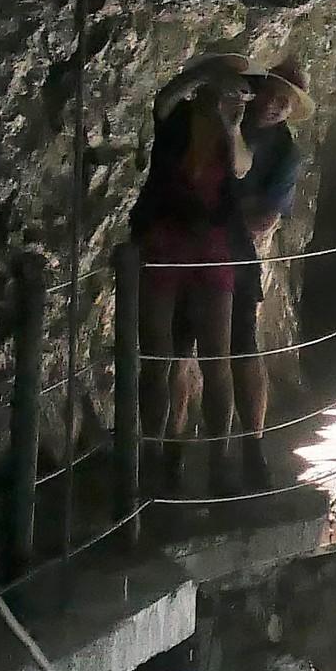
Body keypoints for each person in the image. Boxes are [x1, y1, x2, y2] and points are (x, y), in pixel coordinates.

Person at [131, 55, 251, 491]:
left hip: (211, 242)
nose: (226, 96)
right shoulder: (178, 115)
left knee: (216, 355)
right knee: (157, 354)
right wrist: (201, 75)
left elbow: (240, 167)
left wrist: (232, 124)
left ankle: (220, 456)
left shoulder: (234, 128)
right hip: (166, 236)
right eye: (222, 87)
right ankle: (153, 453)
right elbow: (160, 104)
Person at [228, 59, 309, 477]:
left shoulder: (285, 151)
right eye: (273, 96)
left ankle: (252, 448)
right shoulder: (227, 122)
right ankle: (174, 451)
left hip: (238, 252)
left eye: (285, 104)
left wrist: (218, 211)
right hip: (196, 249)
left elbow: (265, 220)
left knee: (243, 345)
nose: (276, 107)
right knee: (181, 349)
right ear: (257, 89)